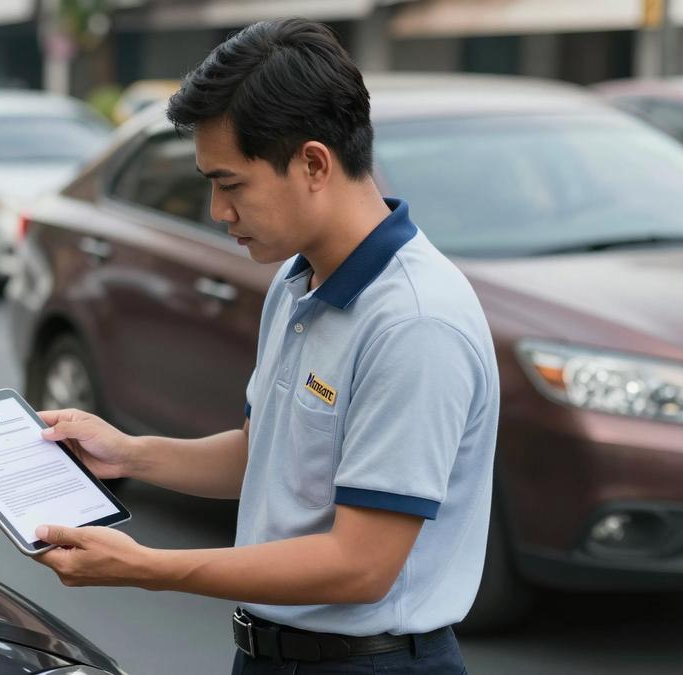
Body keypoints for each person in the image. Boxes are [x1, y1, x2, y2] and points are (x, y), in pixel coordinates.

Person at [31, 19, 498, 674]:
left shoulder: (415, 323)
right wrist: (130, 453)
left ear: (313, 163)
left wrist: (148, 568)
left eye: (231, 184)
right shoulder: (297, 279)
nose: (219, 211)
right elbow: (268, 452)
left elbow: (359, 565)